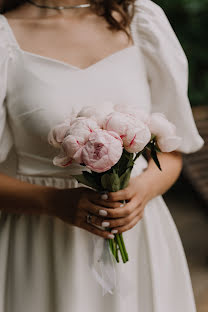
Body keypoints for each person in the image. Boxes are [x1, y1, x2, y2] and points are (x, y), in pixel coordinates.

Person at [0, 0, 204, 311]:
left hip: (139, 236)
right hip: (41, 245)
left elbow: (172, 150)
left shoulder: (140, 20)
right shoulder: (4, 37)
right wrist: (54, 202)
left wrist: (144, 189)